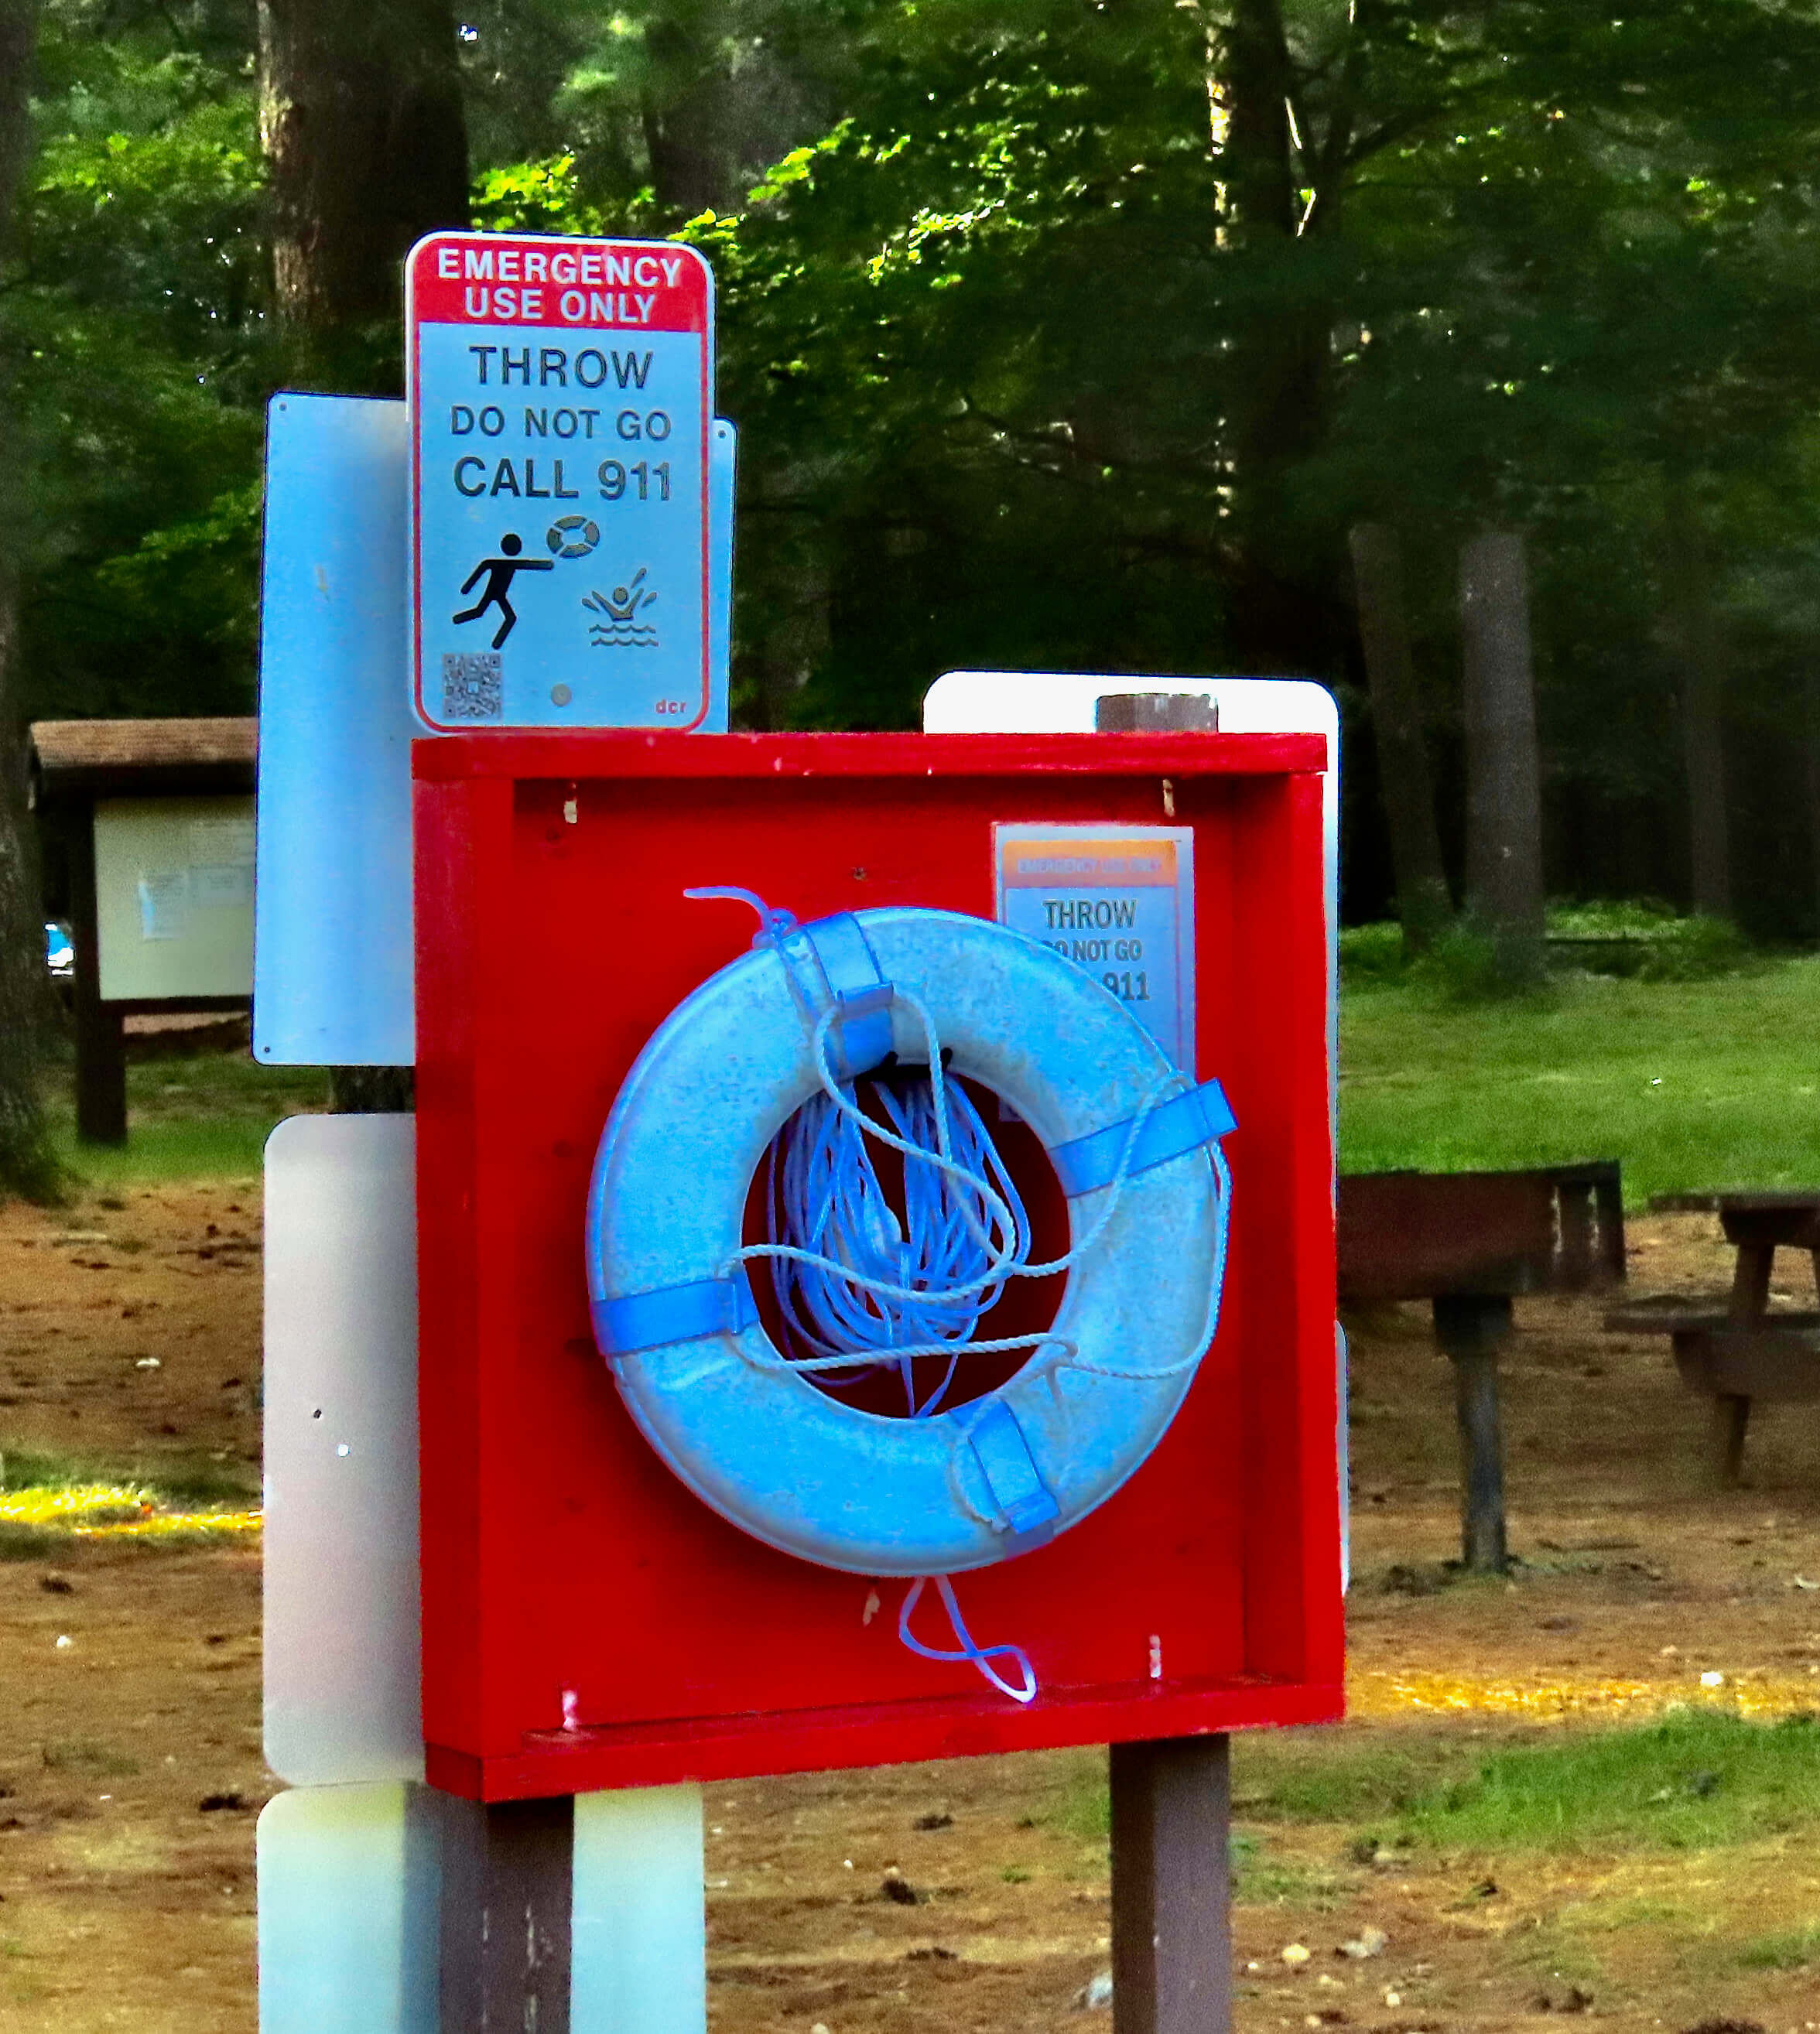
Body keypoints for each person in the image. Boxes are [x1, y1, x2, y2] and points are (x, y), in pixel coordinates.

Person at [452, 533, 552, 648]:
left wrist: (466, 588)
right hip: (493, 593)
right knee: (485, 613)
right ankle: (458, 620)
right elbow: (481, 569)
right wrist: (466, 588)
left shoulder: (501, 563)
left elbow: (529, 564)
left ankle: (495, 643)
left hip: (499, 595)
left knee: (506, 617)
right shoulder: (494, 563)